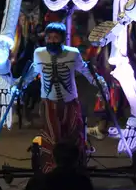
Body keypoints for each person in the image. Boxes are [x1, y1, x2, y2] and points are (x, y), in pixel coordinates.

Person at [23, 22, 106, 173]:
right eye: (49, 37)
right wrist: (19, 85)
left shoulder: (73, 53)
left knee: (74, 135)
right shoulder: (39, 54)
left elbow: (86, 71)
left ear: (62, 39)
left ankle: (75, 169)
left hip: (70, 103)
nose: (53, 41)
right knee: (52, 138)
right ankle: (52, 171)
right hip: (49, 103)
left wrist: (100, 83)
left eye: (56, 37)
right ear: (45, 38)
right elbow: (32, 72)